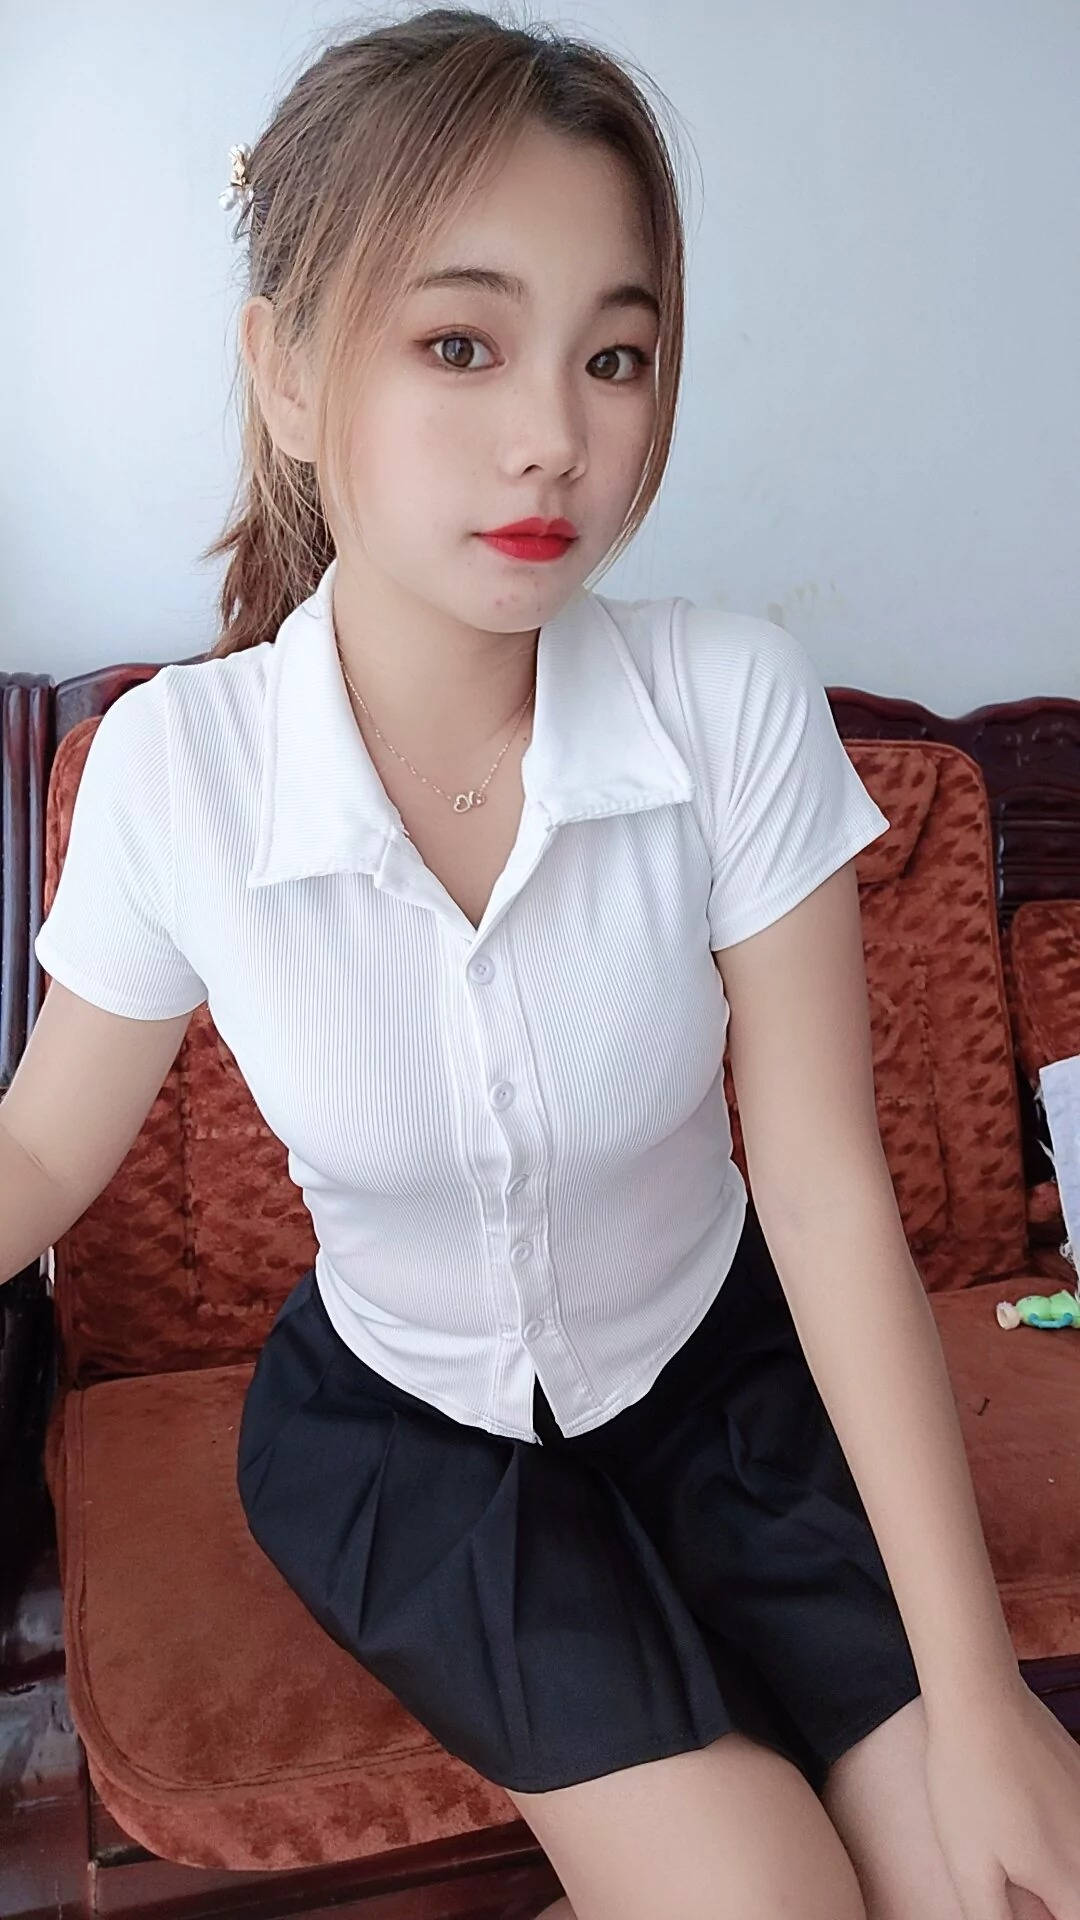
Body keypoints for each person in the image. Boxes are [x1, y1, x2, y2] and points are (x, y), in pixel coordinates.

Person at [4, 11, 1073, 1920]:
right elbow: (36, 1155)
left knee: (989, 1880)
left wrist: (980, 1692)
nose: (555, 439)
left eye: (615, 356)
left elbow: (823, 1189)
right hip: (406, 1440)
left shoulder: (729, 703)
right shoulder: (179, 774)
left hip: (723, 1383)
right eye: (461, 345)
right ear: (288, 373)